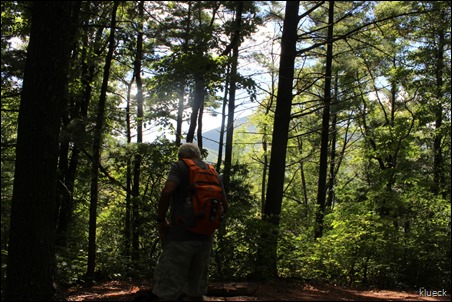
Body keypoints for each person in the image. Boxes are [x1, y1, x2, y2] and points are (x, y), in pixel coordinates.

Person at [152, 142, 229, 301]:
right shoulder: (212, 171)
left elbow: (167, 191)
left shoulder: (180, 167)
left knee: (167, 290)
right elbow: (225, 205)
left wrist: (161, 220)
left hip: (180, 236)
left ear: (181, 156)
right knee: (195, 292)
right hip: (205, 238)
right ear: (198, 155)